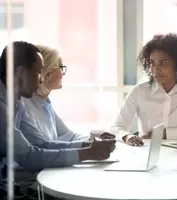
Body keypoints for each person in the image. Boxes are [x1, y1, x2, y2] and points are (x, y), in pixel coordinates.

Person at [0, 41, 116, 199]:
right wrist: (87, 153)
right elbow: (29, 156)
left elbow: (41, 144)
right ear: (21, 72)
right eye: (38, 72)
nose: (41, 79)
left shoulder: (17, 102)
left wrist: (88, 146)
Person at [110, 33, 177, 146]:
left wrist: (163, 134)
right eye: (152, 63)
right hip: (145, 154)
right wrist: (128, 136)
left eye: (163, 63)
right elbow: (116, 128)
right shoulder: (139, 91)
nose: (156, 69)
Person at [22, 44, 114, 147]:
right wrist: (87, 148)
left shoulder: (45, 103)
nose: (63, 73)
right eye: (61, 67)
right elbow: (43, 148)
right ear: (48, 75)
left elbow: (70, 136)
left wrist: (95, 139)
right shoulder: (25, 107)